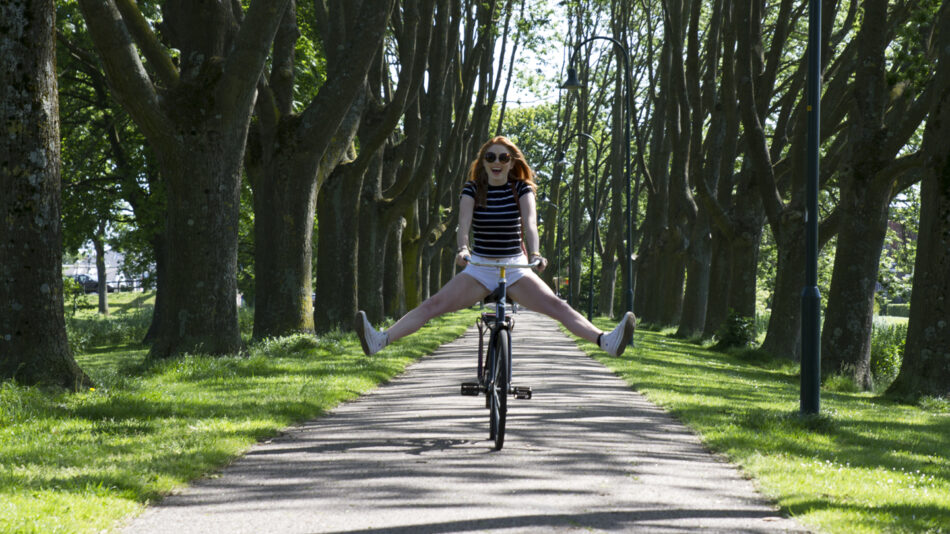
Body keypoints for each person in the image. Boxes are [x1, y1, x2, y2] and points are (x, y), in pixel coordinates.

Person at [355, 136, 636, 357]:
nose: (497, 161)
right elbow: (463, 226)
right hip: (480, 267)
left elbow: (530, 224)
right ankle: (380, 339)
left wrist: (536, 255)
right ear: (484, 162)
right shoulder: (472, 189)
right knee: (433, 304)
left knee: (557, 306)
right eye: (491, 157)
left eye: (504, 157)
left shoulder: (522, 189)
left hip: (514, 266)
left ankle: (605, 341)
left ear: (512, 162)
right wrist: (462, 250)